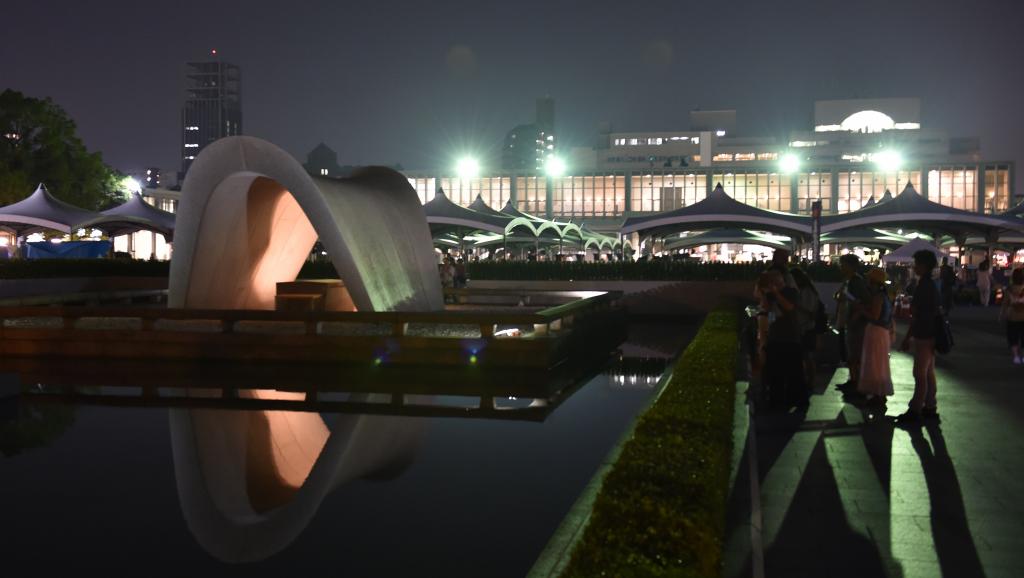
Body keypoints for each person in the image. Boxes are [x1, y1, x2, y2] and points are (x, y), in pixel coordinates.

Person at [898, 249, 941, 424]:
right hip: (932, 333)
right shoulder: (932, 284)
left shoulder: (923, 286)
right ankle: (930, 406)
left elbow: (916, 314)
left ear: (924, 266)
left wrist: (908, 337)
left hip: (923, 333)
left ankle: (915, 409)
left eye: (916, 264)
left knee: (920, 373)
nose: (914, 267)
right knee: (929, 372)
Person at [758, 270, 806, 406]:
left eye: (774, 279)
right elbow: (766, 309)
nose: (772, 283)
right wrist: (765, 295)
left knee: (794, 373)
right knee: (775, 373)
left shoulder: (791, 292)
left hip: (791, 337)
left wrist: (776, 293)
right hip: (775, 337)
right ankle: (776, 400)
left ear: (781, 279)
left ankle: (797, 399)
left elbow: (789, 307)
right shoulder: (770, 295)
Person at [856, 268, 894, 404]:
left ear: (874, 282)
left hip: (876, 332)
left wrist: (861, 310)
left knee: (875, 363)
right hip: (882, 332)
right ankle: (879, 392)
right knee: (880, 363)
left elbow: (874, 316)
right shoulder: (886, 296)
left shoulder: (878, 297)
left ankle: (878, 393)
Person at [837, 254, 871, 390]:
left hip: (856, 324)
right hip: (851, 321)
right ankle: (853, 380)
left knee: (855, 354)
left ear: (851, 266)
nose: (841, 267)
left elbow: (864, 302)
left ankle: (856, 383)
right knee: (851, 353)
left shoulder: (856, 281)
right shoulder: (849, 280)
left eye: (843, 265)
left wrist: (854, 318)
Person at [790, 266, 823, 389]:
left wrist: (795, 306)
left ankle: (810, 380)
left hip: (805, 327)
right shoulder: (808, 290)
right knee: (805, 355)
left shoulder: (806, 292)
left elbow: (809, 311)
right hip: (805, 326)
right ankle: (808, 380)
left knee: (806, 355)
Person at [999, 268, 1024, 364]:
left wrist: (1001, 315)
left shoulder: (1009, 289)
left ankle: (1016, 357)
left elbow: (1005, 304)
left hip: (1012, 316)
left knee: (1013, 337)